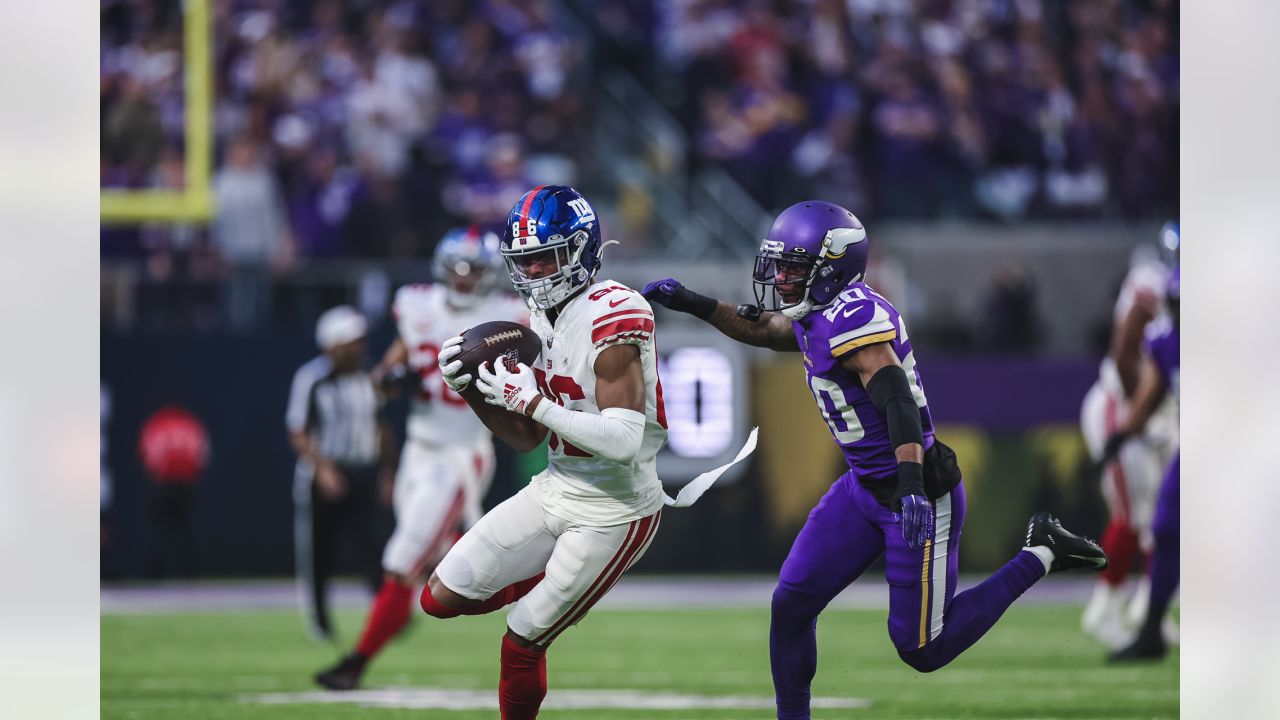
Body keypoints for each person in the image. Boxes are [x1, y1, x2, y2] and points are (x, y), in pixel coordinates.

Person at [642, 201, 1107, 719]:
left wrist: (909, 485)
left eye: (794, 266)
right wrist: (691, 302)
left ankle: (1040, 553)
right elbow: (767, 331)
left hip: (917, 489)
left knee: (922, 649)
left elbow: (898, 404)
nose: (781, 277)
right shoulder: (817, 312)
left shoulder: (855, 317)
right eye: (781, 264)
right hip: (866, 487)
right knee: (792, 604)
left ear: (832, 266)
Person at [420, 185, 669, 720]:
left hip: (615, 508)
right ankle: (552, 576)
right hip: (555, 487)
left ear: (580, 251)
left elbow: (624, 442)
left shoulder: (615, 310)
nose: (532, 274)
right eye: (523, 263)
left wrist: (534, 401)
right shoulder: (535, 318)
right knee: (438, 598)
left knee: (521, 640)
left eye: (544, 260)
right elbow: (527, 438)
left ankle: (558, 592)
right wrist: (471, 388)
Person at [314, 227, 528, 690]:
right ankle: (520, 570)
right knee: (436, 555)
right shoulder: (417, 305)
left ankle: (356, 663)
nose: (466, 279)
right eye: (458, 269)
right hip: (417, 447)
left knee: (402, 560)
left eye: (475, 271)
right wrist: (393, 377)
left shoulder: (509, 315)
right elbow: (387, 370)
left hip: (459, 453)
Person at [1079, 227, 1179, 648]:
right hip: (1121, 404)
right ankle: (1105, 609)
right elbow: (1125, 350)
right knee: (1135, 513)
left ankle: (1147, 608)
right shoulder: (1153, 280)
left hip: (1143, 407)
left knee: (1158, 516)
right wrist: (1143, 412)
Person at [286, 305, 392, 642]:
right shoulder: (312, 378)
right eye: (351, 341)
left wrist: (387, 470)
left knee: (374, 549)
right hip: (324, 475)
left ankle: (385, 617)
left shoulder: (369, 377)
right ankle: (319, 620)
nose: (359, 347)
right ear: (331, 344)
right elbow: (298, 431)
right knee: (320, 553)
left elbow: (380, 425)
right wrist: (322, 469)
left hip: (362, 470)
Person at [1104, 266, 1179, 662]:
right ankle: (1151, 629)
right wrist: (1123, 434)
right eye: (1178, 304)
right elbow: (1150, 395)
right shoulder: (1168, 342)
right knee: (1164, 528)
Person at [137, 404, 210, 578]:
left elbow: (146, 453)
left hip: (164, 485)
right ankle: (186, 573)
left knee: (163, 531)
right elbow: (203, 455)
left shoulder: (159, 424)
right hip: (185, 485)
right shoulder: (190, 425)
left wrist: (157, 474)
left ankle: (159, 574)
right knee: (183, 531)